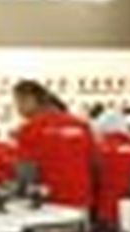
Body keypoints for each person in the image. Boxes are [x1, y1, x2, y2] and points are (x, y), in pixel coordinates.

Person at [11, 80, 95, 208]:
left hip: (50, 203)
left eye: (18, 102)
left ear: (30, 99)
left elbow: (26, 172)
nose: (18, 108)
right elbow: (94, 164)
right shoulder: (81, 125)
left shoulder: (29, 129)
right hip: (82, 200)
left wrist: (19, 196)